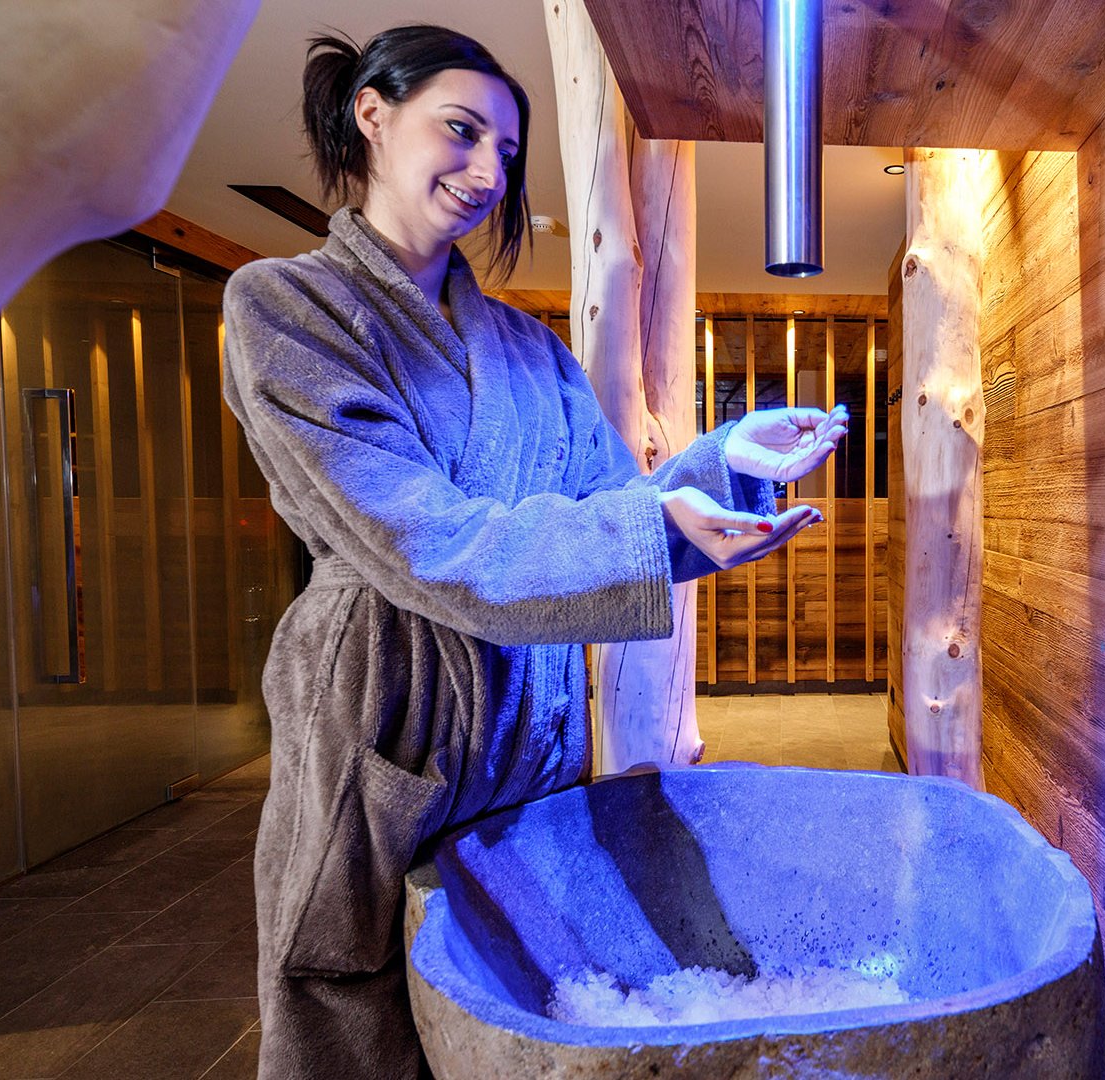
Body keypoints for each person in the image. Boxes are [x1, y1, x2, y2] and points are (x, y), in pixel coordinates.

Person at [219, 24, 845, 1078]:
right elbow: (426, 539)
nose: (484, 172)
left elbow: (618, 505)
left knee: (525, 1012)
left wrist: (723, 462)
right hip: (390, 713)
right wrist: (654, 526)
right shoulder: (284, 308)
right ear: (372, 112)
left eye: (505, 153)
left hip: (531, 736)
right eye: (460, 132)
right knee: (360, 1021)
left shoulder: (529, 349)